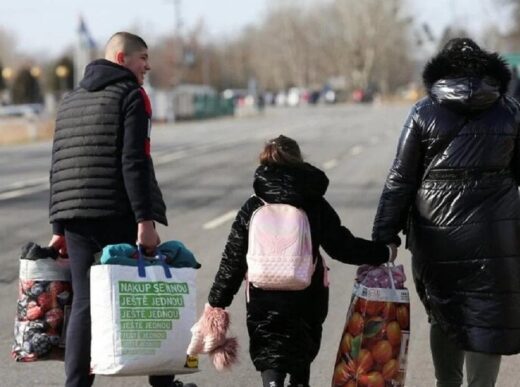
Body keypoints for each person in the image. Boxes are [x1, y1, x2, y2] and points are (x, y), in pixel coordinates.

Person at [48, 32, 195, 387]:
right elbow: (135, 161)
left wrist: (57, 225)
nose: (147, 65)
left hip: (74, 215)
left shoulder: (70, 100)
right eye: (141, 57)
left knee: (83, 301)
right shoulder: (132, 95)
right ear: (120, 59)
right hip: (116, 209)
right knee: (151, 288)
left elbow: (58, 164)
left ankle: (77, 385)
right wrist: (145, 221)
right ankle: (162, 381)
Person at [372, 37, 520, 387]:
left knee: (445, 313)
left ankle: (447, 383)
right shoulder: (510, 111)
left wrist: (384, 237)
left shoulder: (423, 112)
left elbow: (400, 179)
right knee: (488, 314)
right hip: (495, 235)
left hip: (436, 234)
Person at [200, 135, 396, 387]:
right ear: (299, 160)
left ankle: (272, 383)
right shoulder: (314, 203)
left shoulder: (253, 206)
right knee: (300, 352)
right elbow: (342, 246)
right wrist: (384, 252)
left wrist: (217, 303)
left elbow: (233, 260)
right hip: (307, 295)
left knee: (271, 353)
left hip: (263, 295)